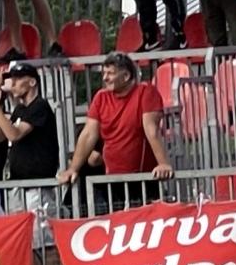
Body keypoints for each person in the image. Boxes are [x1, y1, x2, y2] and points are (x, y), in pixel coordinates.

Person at [59, 53, 174, 183]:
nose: (105, 78)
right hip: (111, 177)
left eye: (110, 73)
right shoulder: (101, 97)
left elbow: (152, 130)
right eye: (104, 73)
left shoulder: (145, 92)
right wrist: (72, 169)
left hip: (142, 178)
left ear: (126, 76)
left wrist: (163, 164)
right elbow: (88, 134)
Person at [0, 63, 59, 181]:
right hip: (19, 180)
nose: (13, 83)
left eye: (18, 78)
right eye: (12, 78)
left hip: (37, 181)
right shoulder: (20, 109)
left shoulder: (40, 106)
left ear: (32, 82)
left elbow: (14, 135)